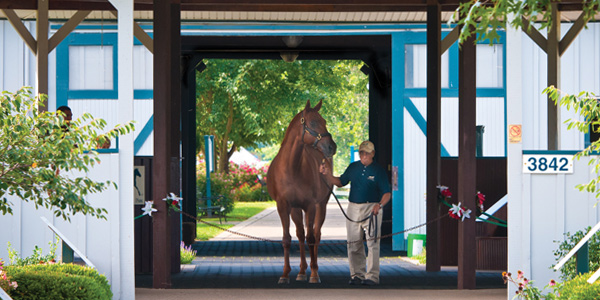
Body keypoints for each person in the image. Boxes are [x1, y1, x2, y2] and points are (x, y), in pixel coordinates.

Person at [320, 140, 391, 286]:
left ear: (373, 154)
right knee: (353, 243)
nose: (364, 155)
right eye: (362, 153)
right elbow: (340, 181)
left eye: (367, 153)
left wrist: (379, 205)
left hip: (372, 208)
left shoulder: (379, 171)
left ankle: (372, 276)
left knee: (372, 243)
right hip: (353, 208)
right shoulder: (353, 167)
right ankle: (357, 274)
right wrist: (327, 174)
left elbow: (387, 193)